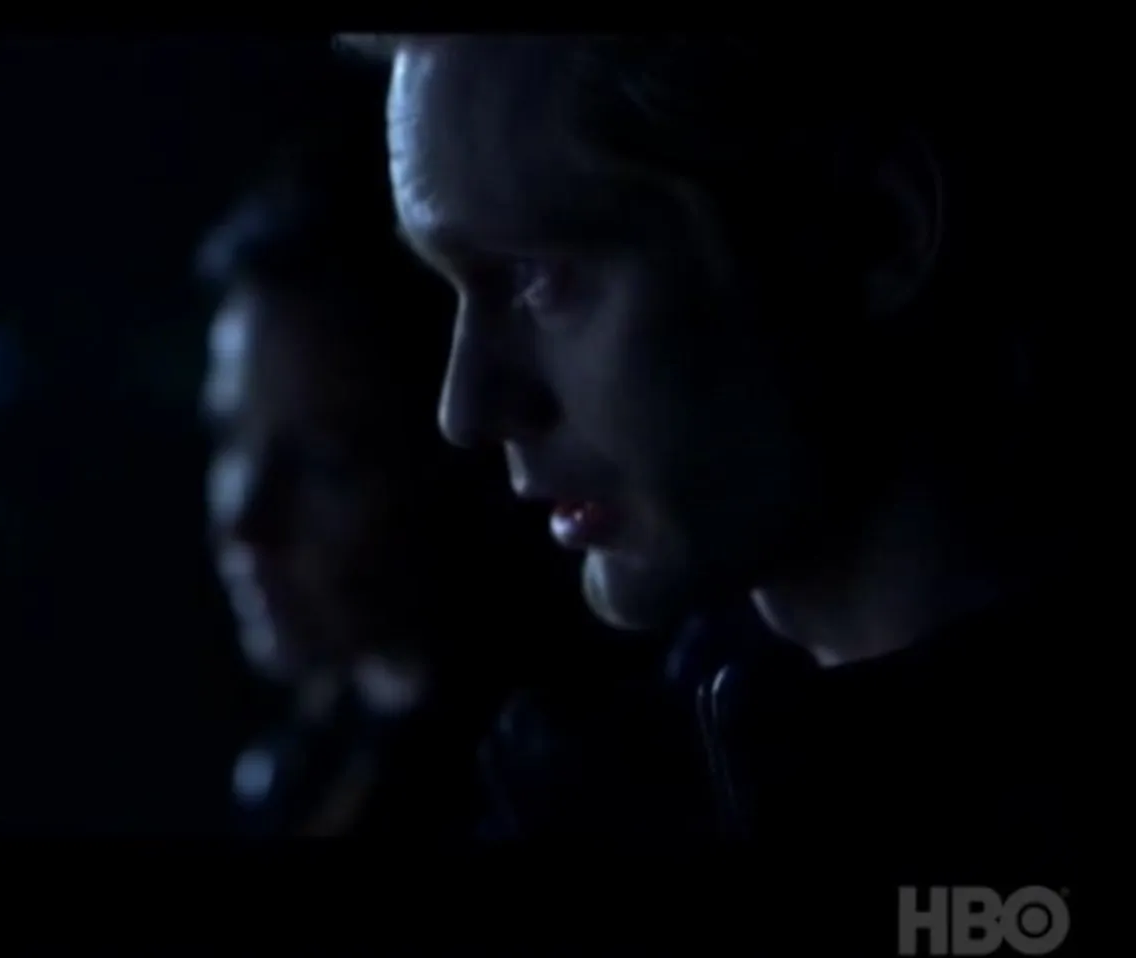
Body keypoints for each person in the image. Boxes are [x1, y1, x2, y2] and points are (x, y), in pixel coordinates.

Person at [346, 34, 1089, 853]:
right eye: (453, 285)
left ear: (874, 230)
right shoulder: (600, 786)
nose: (466, 408)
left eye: (538, 272)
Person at [196, 56, 696, 837]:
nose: (247, 518)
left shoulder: (569, 786)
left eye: (326, 463)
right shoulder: (307, 764)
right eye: (230, 438)